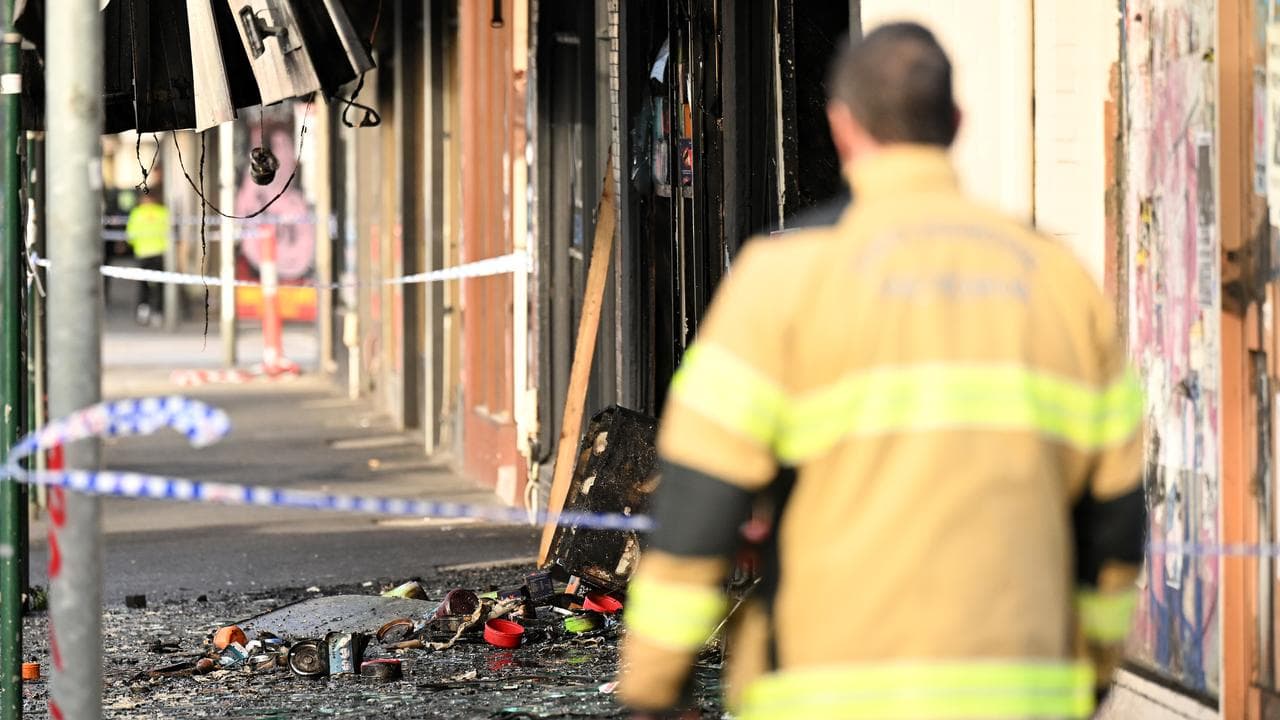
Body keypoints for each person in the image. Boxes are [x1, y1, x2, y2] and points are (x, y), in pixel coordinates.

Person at [617, 22, 1146, 720]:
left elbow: (698, 510)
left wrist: (653, 687)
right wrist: (1093, 667)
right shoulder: (1058, 283)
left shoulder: (779, 283)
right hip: (1025, 694)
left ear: (841, 127)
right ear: (955, 124)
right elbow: (1114, 523)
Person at [125, 191, 170, 326]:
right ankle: (158, 313)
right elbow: (170, 232)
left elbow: (130, 236)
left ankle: (143, 313)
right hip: (160, 252)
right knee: (160, 285)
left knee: (143, 285)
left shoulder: (137, 213)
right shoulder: (163, 212)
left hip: (143, 253)